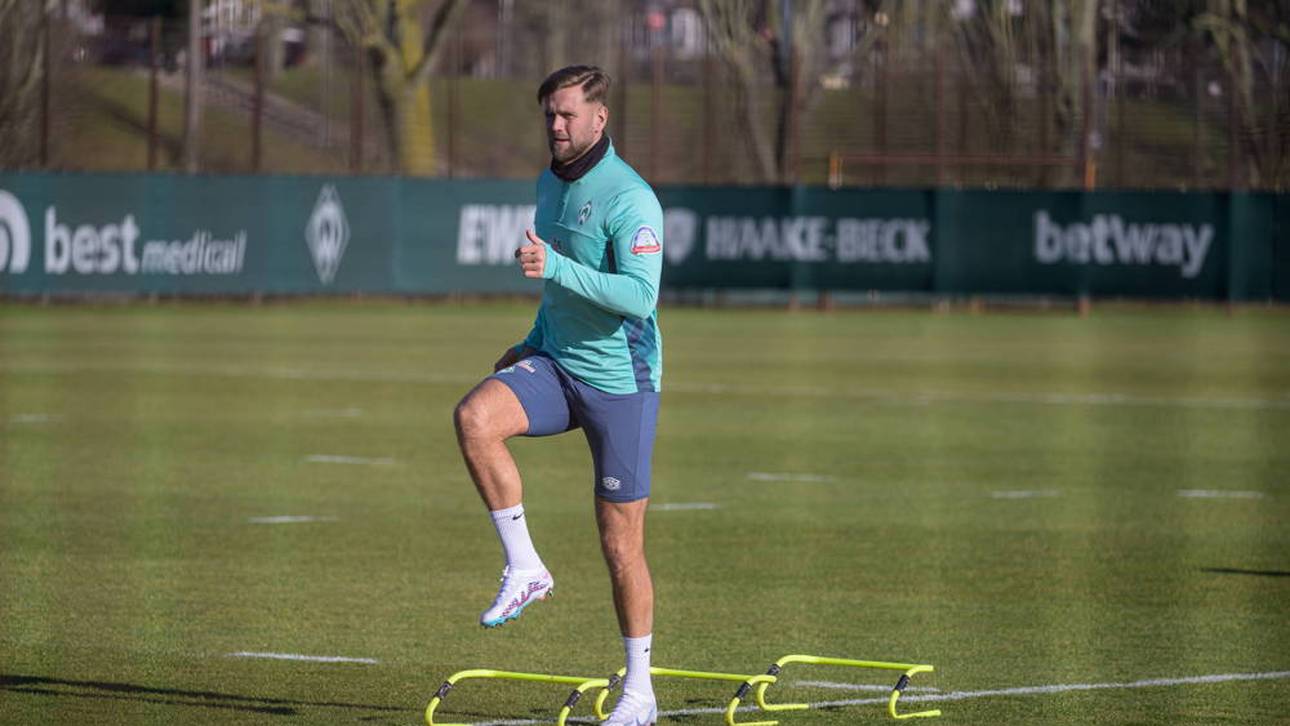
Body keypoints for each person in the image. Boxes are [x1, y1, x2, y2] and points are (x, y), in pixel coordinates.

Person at [452, 65, 664, 726]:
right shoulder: (549, 181)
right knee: (474, 417)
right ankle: (525, 568)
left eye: (568, 114)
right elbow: (557, 292)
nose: (556, 126)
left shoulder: (632, 198)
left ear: (600, 119)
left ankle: (639, 692)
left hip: (619, 380)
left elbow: (640, 296)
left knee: (619, 544)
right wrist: (531, 341)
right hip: (556, 362)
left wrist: (561, 268)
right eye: (549, 114)